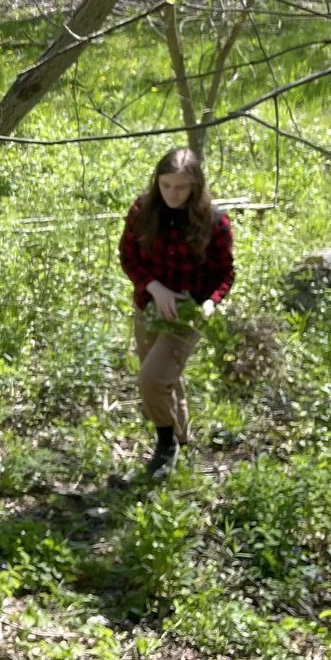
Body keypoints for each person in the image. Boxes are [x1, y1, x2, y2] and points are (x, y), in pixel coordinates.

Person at [118, 146, 234, 478]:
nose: (173, 194)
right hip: (148, 308)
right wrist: (153, 286)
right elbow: (128, 256)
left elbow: (225, 272)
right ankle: (183, 440)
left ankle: (165, 444)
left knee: (152, 380)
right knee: (166, 378)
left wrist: (211, 302)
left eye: (181, 187)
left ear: (196, 186)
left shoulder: (213, 221)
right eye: (166, 185)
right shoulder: (143, 210)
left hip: (187, 313)